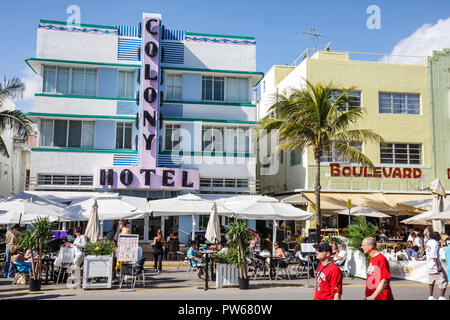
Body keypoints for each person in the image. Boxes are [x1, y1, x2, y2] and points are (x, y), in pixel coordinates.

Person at [425, 232, 447, 300]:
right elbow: (434, 255)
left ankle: (431, 296)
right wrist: (437, 266)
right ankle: (441, 297)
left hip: (429, 265)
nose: (440, 237)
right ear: (436, 237)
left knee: (431, 282)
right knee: (444, 281)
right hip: (435, 265)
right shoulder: (435, 243)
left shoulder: (429, 242)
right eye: (439, 236)